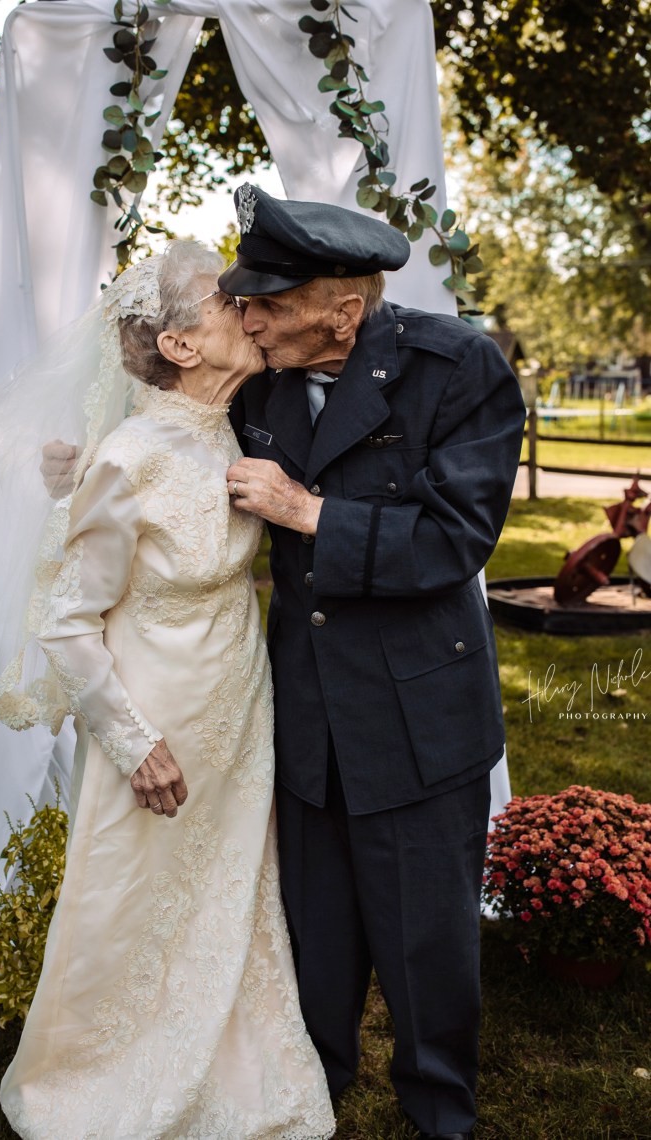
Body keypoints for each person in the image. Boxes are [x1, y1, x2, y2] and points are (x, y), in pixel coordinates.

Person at [0, 242, 335, 1139]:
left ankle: (234, 1062)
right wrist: (134, 742)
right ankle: (97, 1077)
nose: (250, 310)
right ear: (179, 347)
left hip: (238, 705)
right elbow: (68, 621)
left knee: (232, 890)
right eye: (226, 302)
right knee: (133, 895)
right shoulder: (128, 456)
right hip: (156, 715)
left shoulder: (233, 424)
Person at [216, 185, 527, 1140]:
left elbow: (453, 542)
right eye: (246, 299)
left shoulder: (460, 367)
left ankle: (440, 1110)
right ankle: (314, 1095)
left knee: (426, 941)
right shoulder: (257, 379)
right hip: (304, 707)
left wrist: (306, 512)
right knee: (317, 933)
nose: (248, 317)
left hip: (417, 714)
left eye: (268, 303)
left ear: (342, 312)